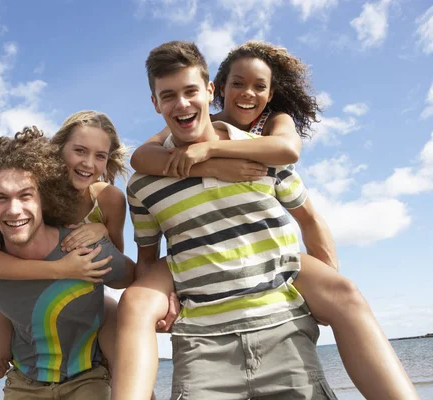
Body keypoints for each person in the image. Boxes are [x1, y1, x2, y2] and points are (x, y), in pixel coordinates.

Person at [112, 41, 418, 400]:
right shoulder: (144, 184)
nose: (181, 104)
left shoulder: (264, 154)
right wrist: (163, 298)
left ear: (210, 91)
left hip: (285, 334)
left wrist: (323, 287)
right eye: (168, 95)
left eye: (191, 91)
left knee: (346, 293)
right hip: (202, 348)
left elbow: (311, 221)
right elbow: (147, 256)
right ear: (155, 103)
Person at [0, 111, 138, 400]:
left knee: (131, 380)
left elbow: (116, 265)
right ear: (58, 152)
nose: (88, 163)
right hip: (38, 289)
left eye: (100, 156)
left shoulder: (108, 198)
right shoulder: (30, 191)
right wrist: (61, 269)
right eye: (79, 151)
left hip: (90, 291)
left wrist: (98, 228)